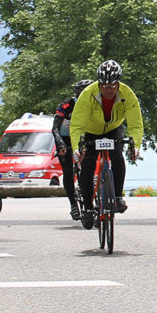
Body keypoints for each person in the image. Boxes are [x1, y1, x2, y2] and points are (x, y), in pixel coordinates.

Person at [70, 60, 144, 230]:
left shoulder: (128, 94)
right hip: (90, 130)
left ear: (118, 84)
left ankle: (117, 196)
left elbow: (135, 124)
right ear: (99, 84)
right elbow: (77, 124)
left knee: (117, 155)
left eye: (112, 86)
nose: (108, 90)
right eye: (104, 86)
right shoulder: (88, 94)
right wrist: (77, 147)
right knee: (87, 165)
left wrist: (136, 145)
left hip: (114, 128)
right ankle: (88, 208)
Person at [53, 78, 93, 222]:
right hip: (66, 139)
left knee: (88, 168)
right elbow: (55, 127)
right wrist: (60, 144)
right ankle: (73, 204)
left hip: (84, 137)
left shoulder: (94, 105)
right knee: (68, 172)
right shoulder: (66, 105)